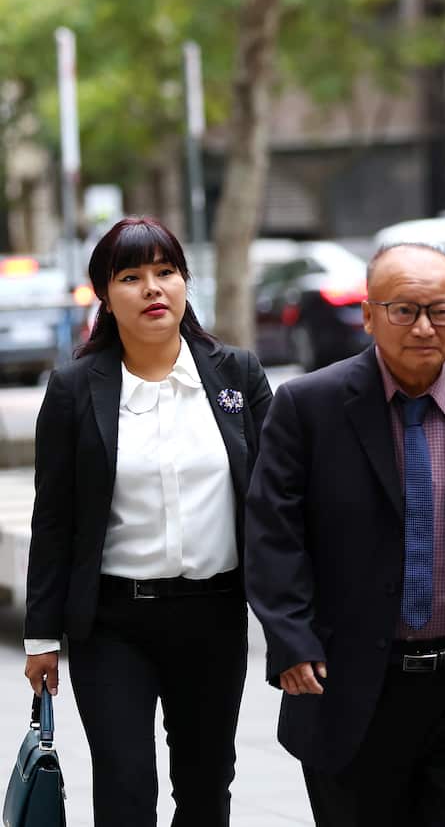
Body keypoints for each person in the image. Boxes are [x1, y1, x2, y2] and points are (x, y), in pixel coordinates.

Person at [245, 243, 445, 826]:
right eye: (404, 311)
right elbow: (272, 536)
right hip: (349, 683)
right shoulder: (307, 406)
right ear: (368, 316)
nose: (424, 327)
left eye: (441, 310)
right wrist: (291, 640)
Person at [22, 217, 273, 826]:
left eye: (166, 272)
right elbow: (53, 519)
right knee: (126, 784)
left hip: (213, 616)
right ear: (105, 297)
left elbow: (275, 505)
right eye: (131, 277)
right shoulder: (76, 388)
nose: (153, 288)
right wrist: (42, 637)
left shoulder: (235, 375)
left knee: (207, 782)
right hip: (112, 624)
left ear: (187, 281)